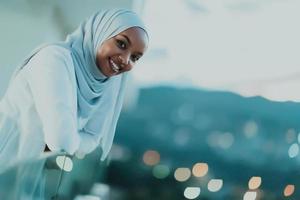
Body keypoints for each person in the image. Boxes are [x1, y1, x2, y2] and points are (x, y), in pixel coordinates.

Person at [0, 9, 149, 171]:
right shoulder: (54, 59)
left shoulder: (106, 82)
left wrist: (69, 138)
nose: (125, 60)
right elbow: (60, 139)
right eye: (121, 43)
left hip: (22, 170)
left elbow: (92, 138)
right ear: (100, 32)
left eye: (135, 57)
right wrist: (72, 139)